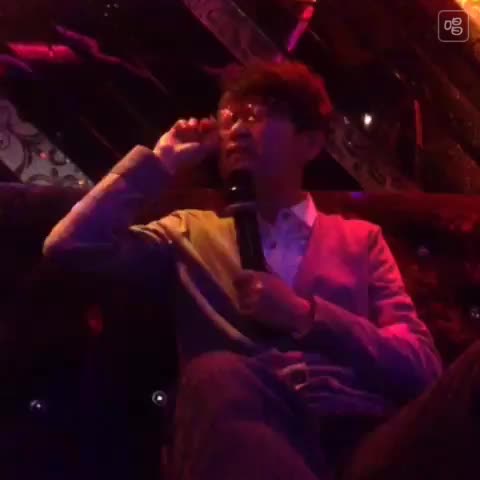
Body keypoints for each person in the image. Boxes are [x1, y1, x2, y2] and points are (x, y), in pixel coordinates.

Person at [43, 60, 448, 479]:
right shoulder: (189, 231)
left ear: (310, 143)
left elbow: (421, 366)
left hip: (361, 438)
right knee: (214, 374)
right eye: (228, 117)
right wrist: (160, 162)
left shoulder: (360, 239)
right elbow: (71, 245)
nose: (236, 129)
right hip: (249, 431)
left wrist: (306, 316)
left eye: (256, 115)